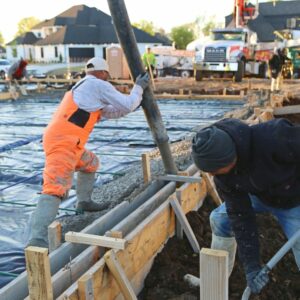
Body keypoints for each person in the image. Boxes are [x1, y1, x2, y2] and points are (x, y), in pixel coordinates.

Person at [27, 57, 149, 248]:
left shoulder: (85, 87)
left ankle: (84, 201)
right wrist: (138, 89)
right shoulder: (97, 84)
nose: (108, 79)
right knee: (55, 187)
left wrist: (135, 102)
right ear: (103, 73)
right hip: (63, 144)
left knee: (91, 162)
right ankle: (37, 239)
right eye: (107, 76)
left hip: (69, 143)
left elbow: (113, 111)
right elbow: (126, 104)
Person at [191, 118, 300, 295]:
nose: (211, 175)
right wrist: (251, 266)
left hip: (294, 200)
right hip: (260, 195)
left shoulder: (275, 136)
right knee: (220, 219)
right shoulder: (224, 177)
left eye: (215, 170)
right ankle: (217, 282)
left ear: (230, 158)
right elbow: (240, 216)